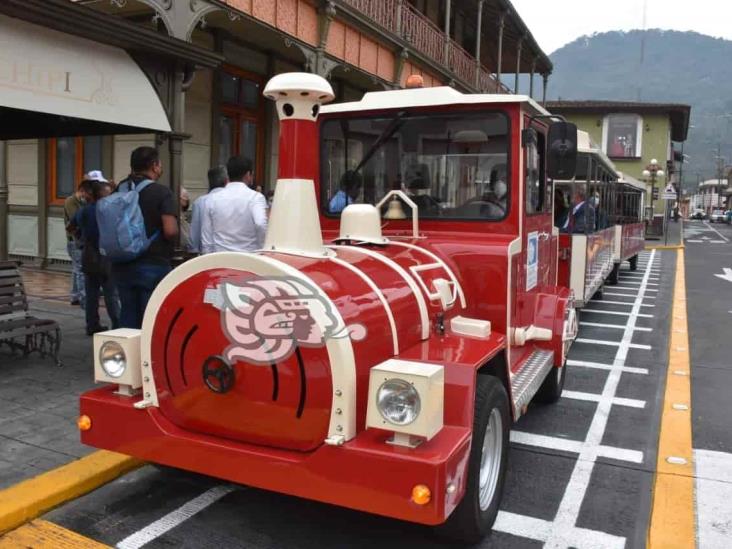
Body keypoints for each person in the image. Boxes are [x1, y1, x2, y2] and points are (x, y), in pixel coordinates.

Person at [112, 147, 178, 329]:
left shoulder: (120, 188)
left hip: (122, 262)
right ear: (154, 166)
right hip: (153, 263)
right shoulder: (161, 192)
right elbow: (170, 230)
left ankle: (127, 354)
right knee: (151, 319)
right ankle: (147, 355)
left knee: (128, 315)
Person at [69, 180, 121, 335]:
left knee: (91, 293)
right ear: (101, 194)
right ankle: (117, 324)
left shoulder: (84, 211)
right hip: (106, 254)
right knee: (110, 293)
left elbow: (70, 227)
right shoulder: (109, 211)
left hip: (89, 254)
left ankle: (92, 324)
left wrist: (81, 237)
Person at [201, 156, 267, 253]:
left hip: (220, 256)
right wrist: (261, 248)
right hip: (249, 257)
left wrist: (208, 257)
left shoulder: (212, 199)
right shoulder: (256, 197)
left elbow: (206, 238)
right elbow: (260, 224)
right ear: (248, 174)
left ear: (228, 175)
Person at [189, 166, 228, 253]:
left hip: (206, 256)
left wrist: (193, 250)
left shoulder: (199, 202)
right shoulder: (233, 200)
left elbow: (194, 234)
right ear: (226, 181)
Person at [63, 182, 86, 307]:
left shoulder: (82, 202)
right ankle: (82, 297)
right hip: (75, 241)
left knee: (77, 269)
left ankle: (75, 295)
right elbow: (75, 220)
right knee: (80, 270)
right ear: (81, 191)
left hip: (80, 240)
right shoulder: (70, 201)